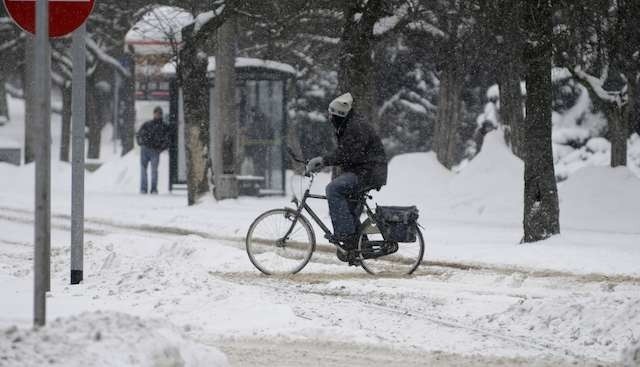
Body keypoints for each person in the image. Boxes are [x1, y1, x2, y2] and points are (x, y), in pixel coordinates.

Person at [305, 93, 388, 261]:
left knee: (334, 188)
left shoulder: (355, 127)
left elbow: (349, 154)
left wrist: (323, 160)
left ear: (339, 114)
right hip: (364, 170)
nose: (329, 118)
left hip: (368, 172)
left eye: (331, 114)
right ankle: (358, 246)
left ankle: (346, 236)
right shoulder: (349, 124)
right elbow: (347, 154)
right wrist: (324, 162)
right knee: (348, 207)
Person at [136, 106, 170, 194]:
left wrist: (160, 148)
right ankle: (144, 189)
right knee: (145, 170)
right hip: (146, 149)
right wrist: (141, 143)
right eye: (156, 113)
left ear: (161, 115)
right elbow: (139, 134)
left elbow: (168, 140)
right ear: (154, 114)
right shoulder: (149, 124)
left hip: (154, 150)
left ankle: (152, 189)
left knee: (153, 170)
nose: (157, 115)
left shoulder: (163, 126)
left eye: (159, 113)